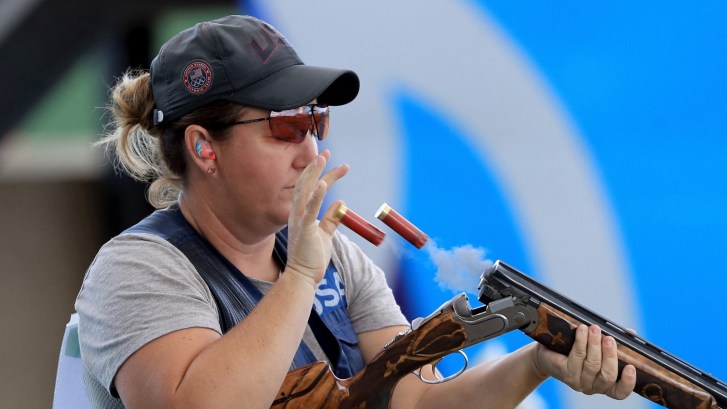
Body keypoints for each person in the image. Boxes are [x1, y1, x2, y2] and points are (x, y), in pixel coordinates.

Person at [75, 14, 636, 409]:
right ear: (204, 148)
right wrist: (300, 276)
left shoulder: (336, 259)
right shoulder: (138, 268)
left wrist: (537, 363)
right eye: (286, 127)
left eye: (315, 122)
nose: (311, 152)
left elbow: (417, 403)